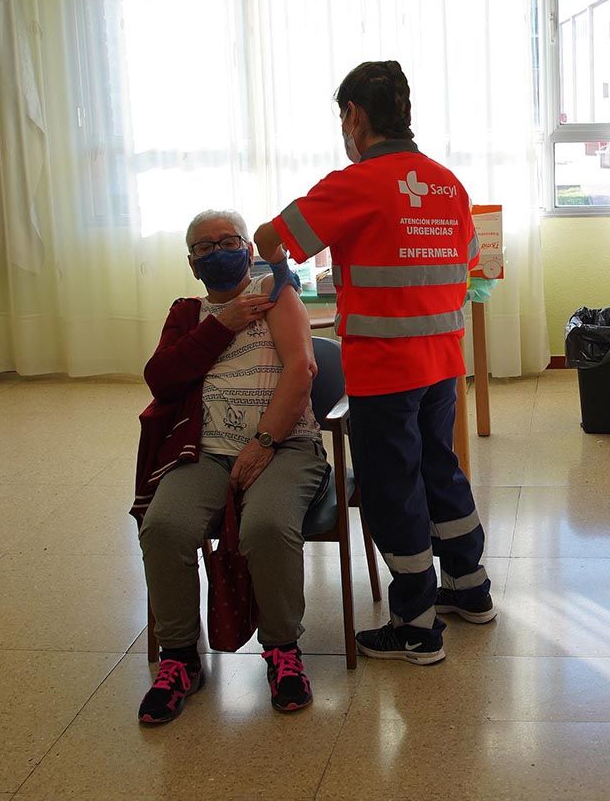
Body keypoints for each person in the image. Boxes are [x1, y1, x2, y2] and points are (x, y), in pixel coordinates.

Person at [254, 60, 492, 667]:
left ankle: (415, 625)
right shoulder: (448, 184)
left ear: (354, 116)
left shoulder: (354, 183)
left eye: (343, 118)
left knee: (393, 490)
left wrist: (278, 270)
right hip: (442, 363)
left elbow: (271, 237)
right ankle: (470, 590)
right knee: (440, 469)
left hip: (385, 370)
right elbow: (465, 262)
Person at [135, 209, 327, 724]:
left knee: (267, 526)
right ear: (192, 262)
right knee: (164, 527)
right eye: (205, 246)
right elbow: (161, 379)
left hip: (284, 446)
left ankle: (282, 651)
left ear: (248, 249)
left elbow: (302, 368)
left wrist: (264, 441)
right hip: (205, 452)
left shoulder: (275, 295)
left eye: (229, 241)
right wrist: (221, 324)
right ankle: (179, 659)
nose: (218, 252)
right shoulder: (188, 314)